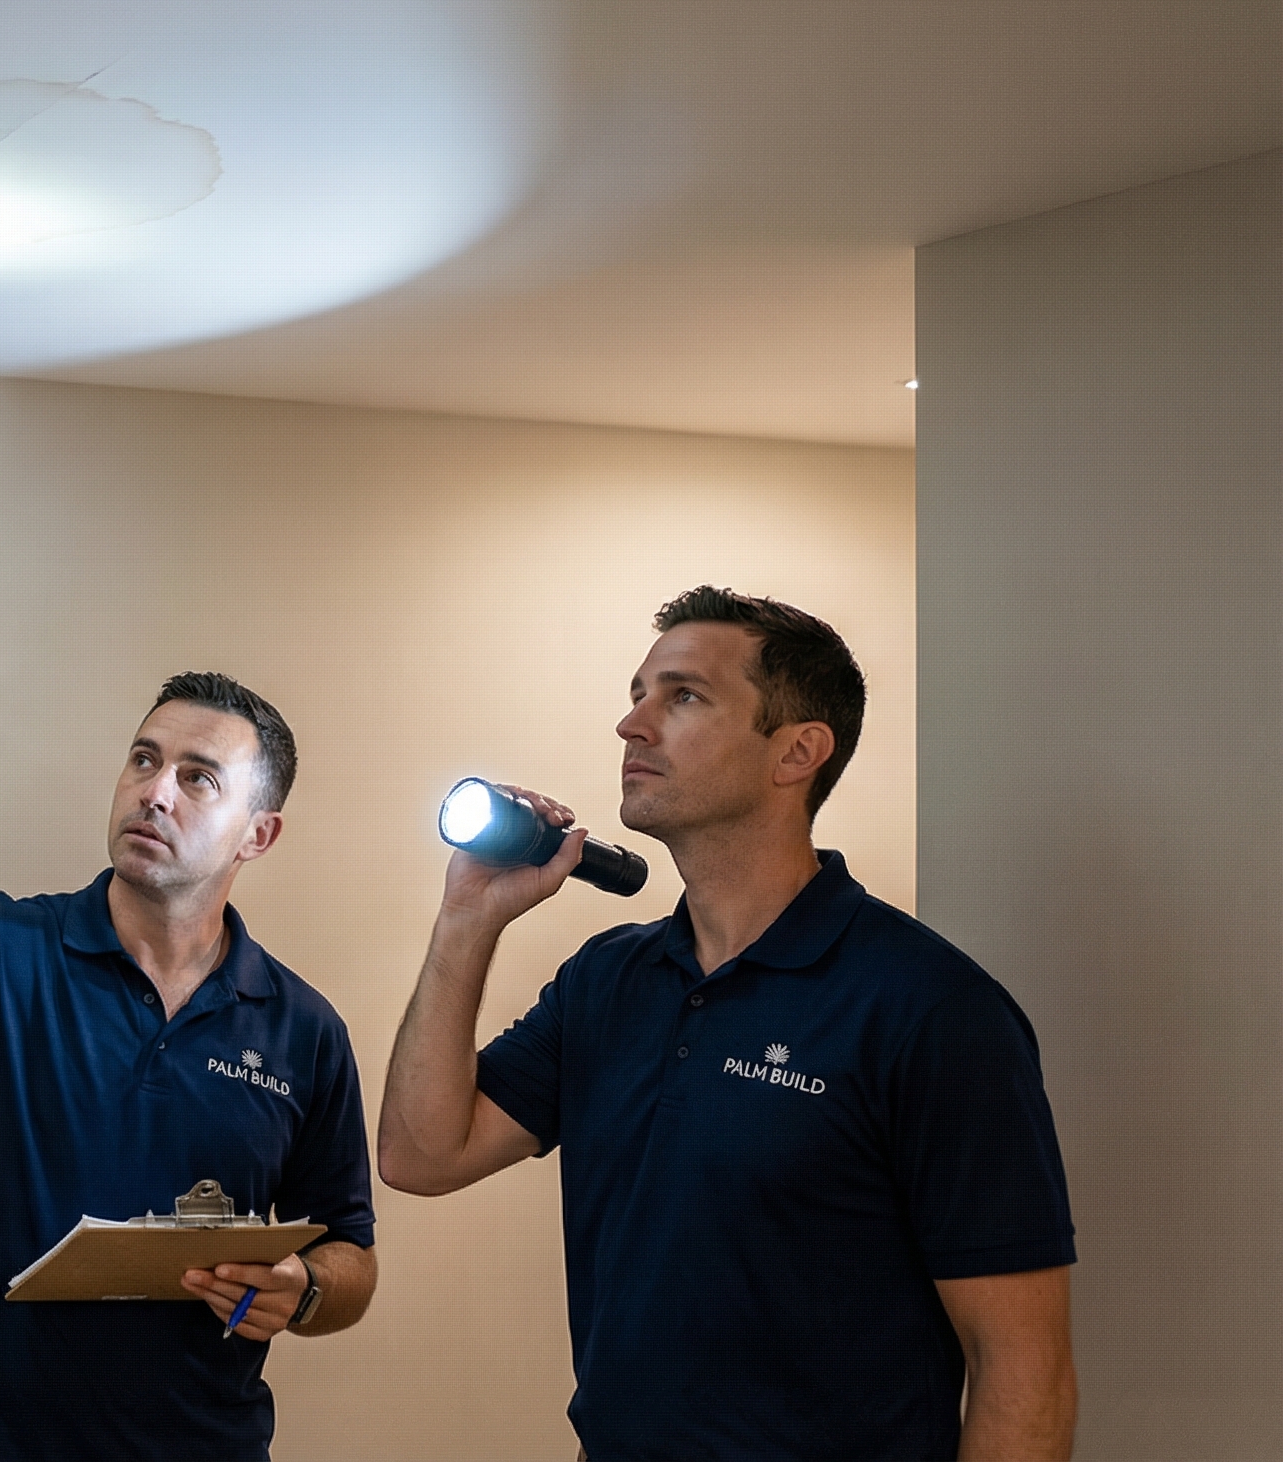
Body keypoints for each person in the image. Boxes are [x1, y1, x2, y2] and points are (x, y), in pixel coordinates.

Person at [379, 586, 1077, 1461]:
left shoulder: (931, 1009)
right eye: (637, 694)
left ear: (797, 752)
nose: (633, 725)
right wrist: (466, 920)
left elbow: (1023, 1366)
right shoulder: (606, 982)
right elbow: (420, 1155)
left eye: (683, 697)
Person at [0, 595, 378, 1461]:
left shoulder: (304, 1029)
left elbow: (350, 1253)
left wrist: (308, 1289)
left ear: (259, 834)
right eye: (144, 759)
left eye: (197, 776)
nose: (154, 792)